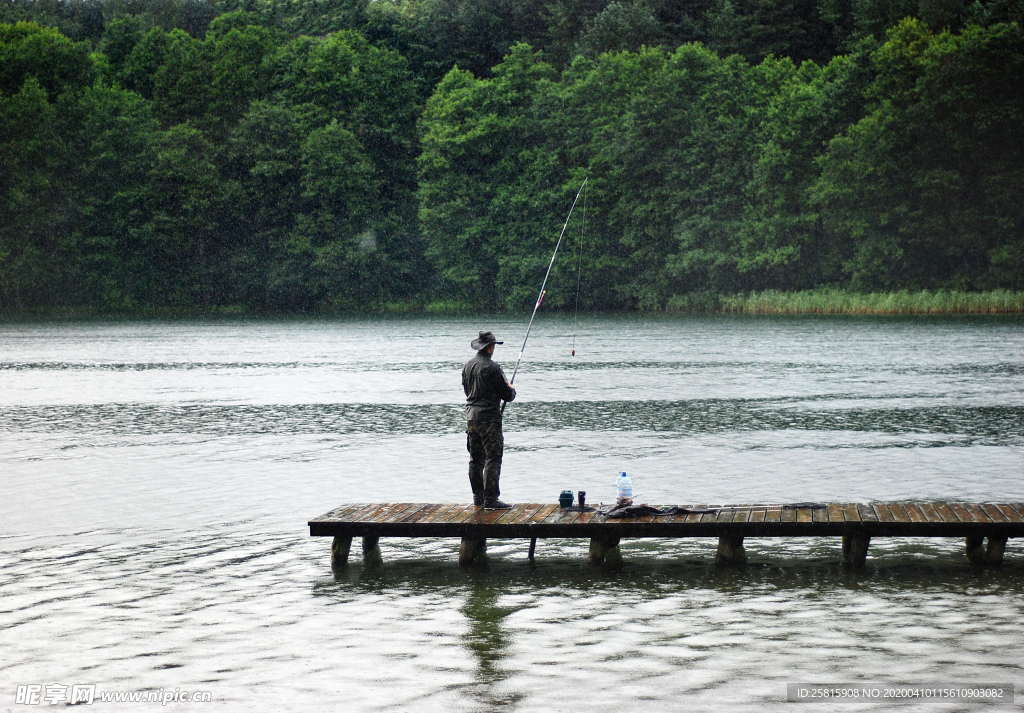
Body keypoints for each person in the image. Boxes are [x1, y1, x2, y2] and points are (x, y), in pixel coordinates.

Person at [462, 331, 516, 509]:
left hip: (471, 417)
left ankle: (478, 498)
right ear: (490, 347)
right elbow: (507, 395)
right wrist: (511, 388)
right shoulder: (493, 368)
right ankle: (491, 500)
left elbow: (467, 391)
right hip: (488, 419)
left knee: (475, 459)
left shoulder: (467, 366)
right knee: (493, 457)